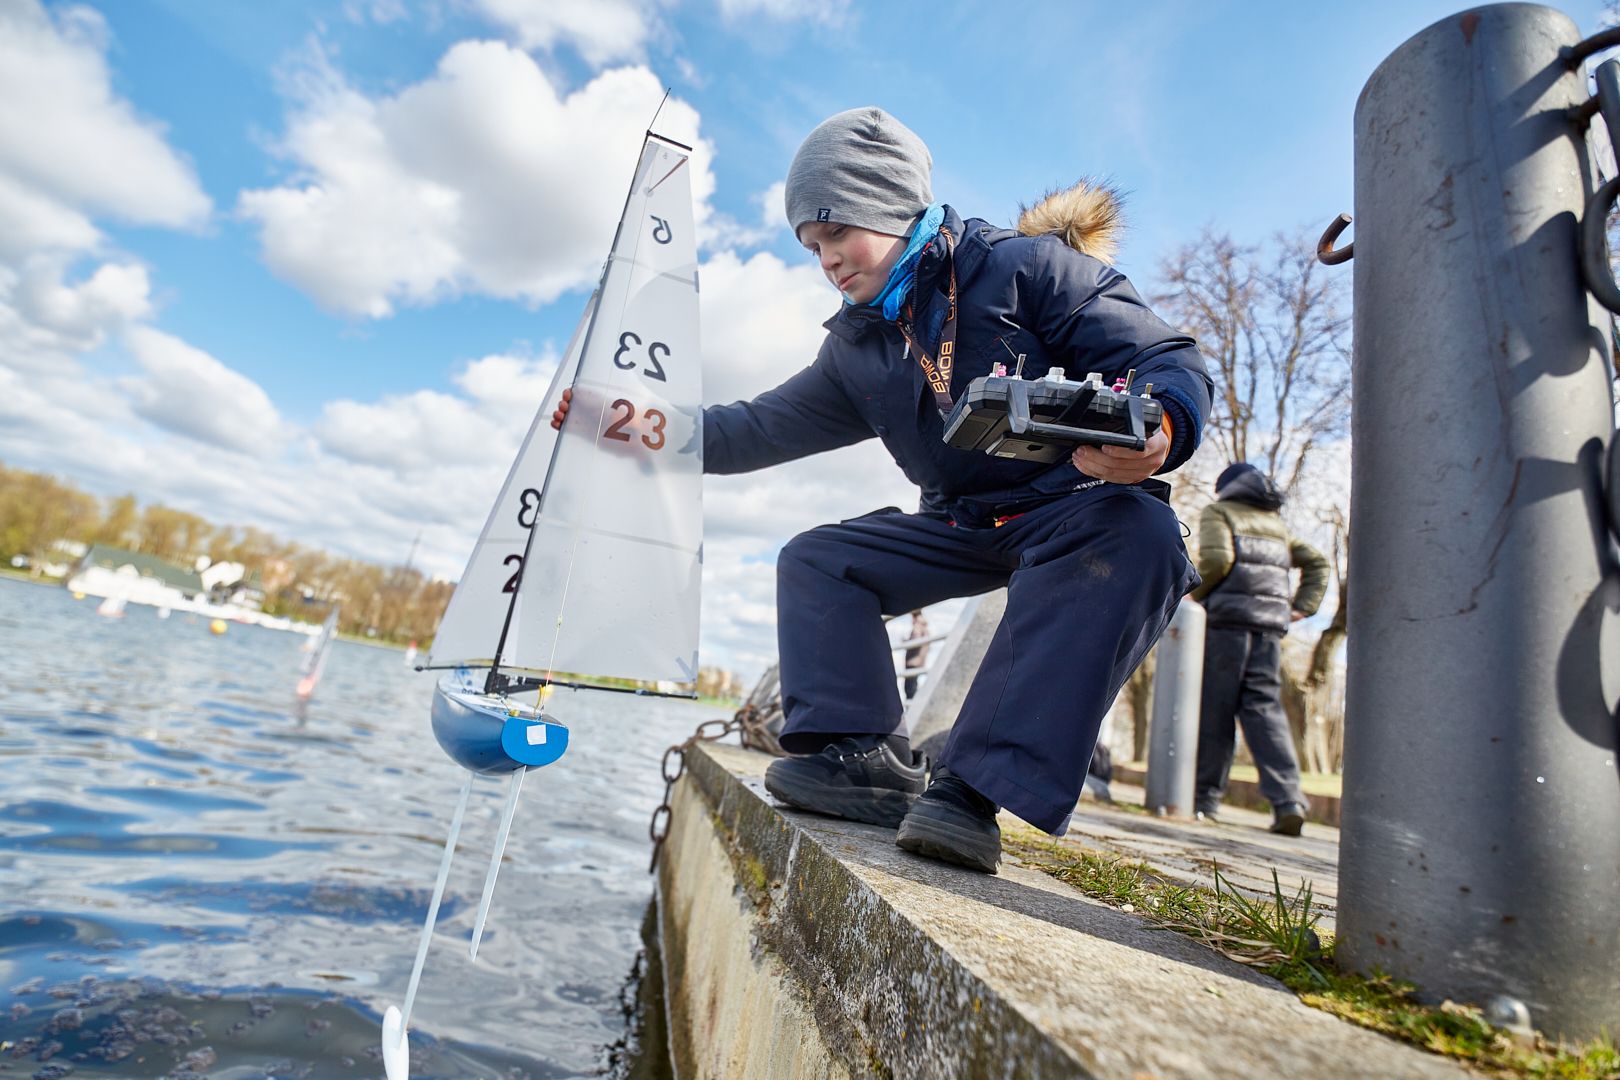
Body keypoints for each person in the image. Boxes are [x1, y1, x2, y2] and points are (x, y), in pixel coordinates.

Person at [555, 107, 1211, 873]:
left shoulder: (1027, 267)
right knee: (819, 559)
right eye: (811, 246)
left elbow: (1165, 355)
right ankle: (859, 757)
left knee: (1144, 535)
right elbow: (751, 429)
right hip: (966, 523)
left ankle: (969, 793)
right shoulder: (856, 351)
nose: (827, 259)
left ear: (888, 205)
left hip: (1075, 508)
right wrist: (630, 424)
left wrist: (1162, 424)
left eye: (836, 232)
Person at [1189, 462, 1329, 836]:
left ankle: (1204, 802)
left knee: (1215, 711)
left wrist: (1192, 597)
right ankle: (1288, 801)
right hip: (1268, 628)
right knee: (1264, 711)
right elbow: (1317, 561)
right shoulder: (1276, 526)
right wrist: (1302, 607)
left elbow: (1218, 561)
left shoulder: (1220, 512)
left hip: (1227, 625)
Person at [901, 609, 930, 700]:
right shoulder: (925, 628)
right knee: (913, 688)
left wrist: (906, 642)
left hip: (913, 662)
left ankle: (911, 712)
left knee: (910, 689)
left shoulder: (918, 627)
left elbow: (915, 640)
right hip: (920, 662)